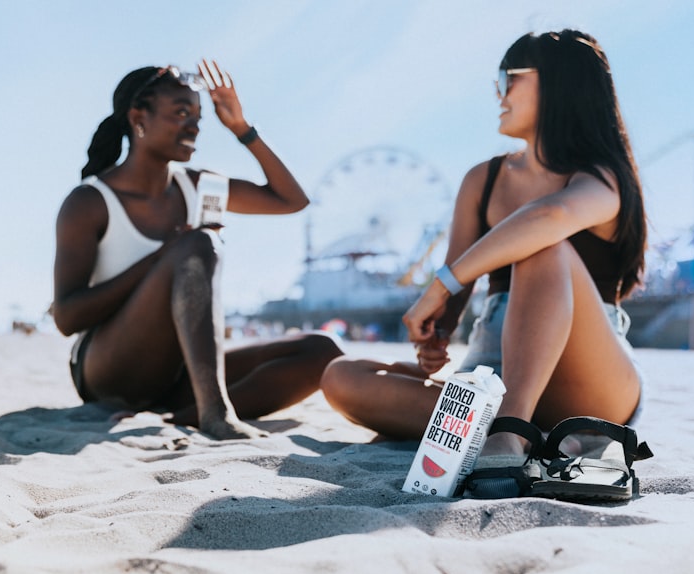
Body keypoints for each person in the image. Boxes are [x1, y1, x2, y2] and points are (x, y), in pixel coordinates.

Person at [321, 31, 646, 471]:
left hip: (588, 382)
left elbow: (547, 220)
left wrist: (439, 285)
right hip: (492, 370)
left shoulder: (601, 179)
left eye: (508, 77)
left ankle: (513, 433)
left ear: (558, 82)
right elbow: (456, 288)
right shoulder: (484, 180)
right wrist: (436, 333)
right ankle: (530, 435)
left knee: (541, 246)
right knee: (342, 377)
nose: (498, 92)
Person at [53, 60, 342, 440]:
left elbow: (291, 201)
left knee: (322, 352)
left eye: (199, 116)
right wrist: (162, 257)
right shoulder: (90, 201)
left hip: (176, 373)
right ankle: (216, 413)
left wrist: (242, 128)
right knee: (200, 242)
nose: (195, 125)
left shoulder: (198, 186)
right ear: (139, 117)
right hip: (108, 372)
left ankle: (181, 416)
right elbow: (67, 317)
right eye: (181, 113)